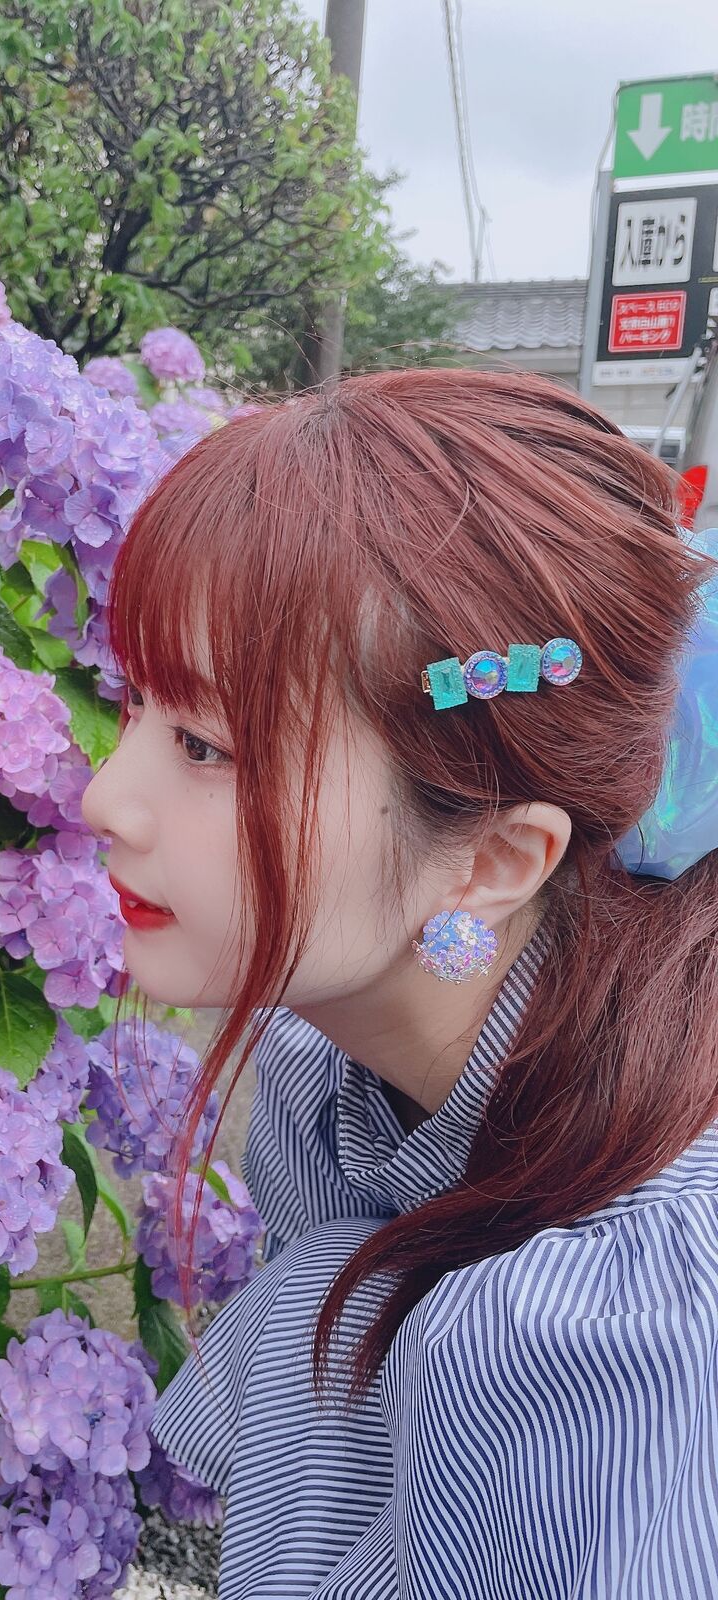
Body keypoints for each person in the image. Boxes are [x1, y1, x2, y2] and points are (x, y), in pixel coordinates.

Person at [79, 368, 718, 1600]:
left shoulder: (628, 1337)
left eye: (206, 744)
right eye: (136, 704)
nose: (107, 798)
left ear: (491, 862)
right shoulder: (335, 1071)